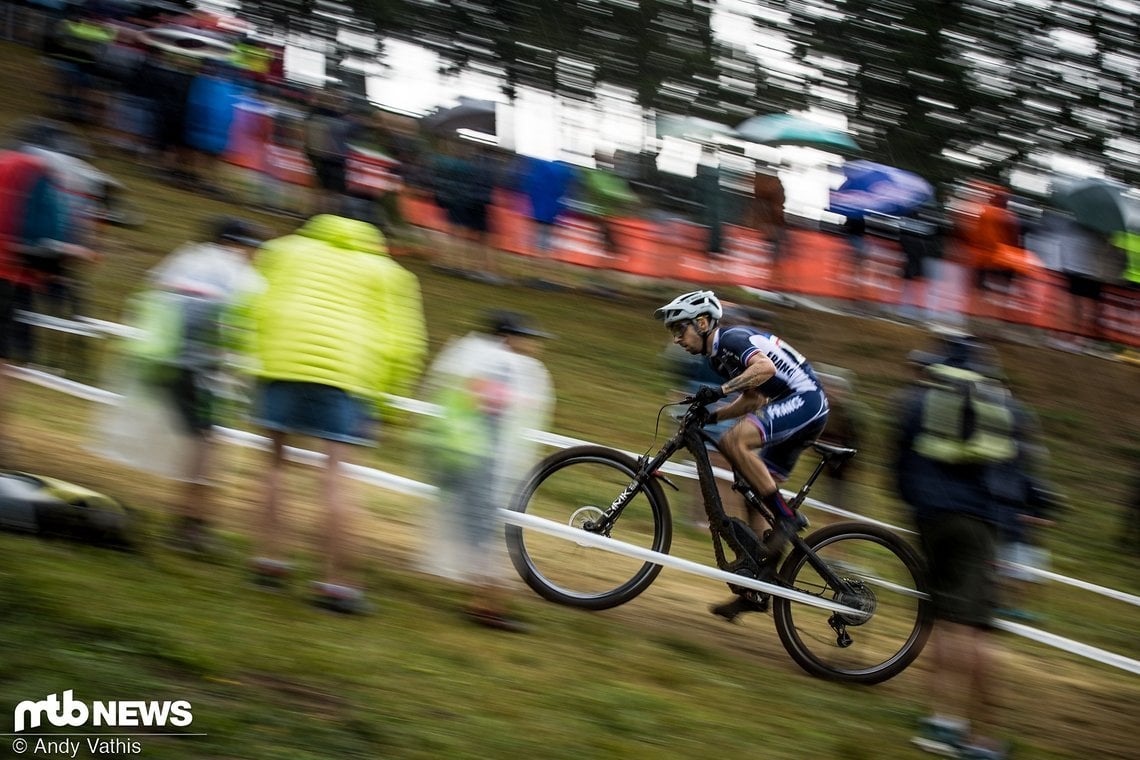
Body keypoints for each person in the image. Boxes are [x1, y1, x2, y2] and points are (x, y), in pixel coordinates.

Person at [243, 214, 427, 614]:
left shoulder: (283, 249)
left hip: (279, 366)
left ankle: (269, 561)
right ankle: (336, 585)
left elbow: (251, 305)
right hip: (346, 377)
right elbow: (404, 345)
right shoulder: (389, 273)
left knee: (273, 468)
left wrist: (252, 362)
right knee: (336, 481)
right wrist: (388, 405)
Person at [655, 290, 829, 621]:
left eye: (680, 329)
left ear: (703, 323)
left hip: (806, 401)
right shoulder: (718, 356)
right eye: (673, 332)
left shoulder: (731, 339)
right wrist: (712, 415)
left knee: (735, 442)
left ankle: (788, 518)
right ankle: (759, 589)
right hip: (793, 404)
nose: (676, 338)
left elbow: (762, 369)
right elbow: (754, 400)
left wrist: (719, 392)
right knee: (755, 499)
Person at [105, 217, 264, 554]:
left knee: (195, 442)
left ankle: (187, 521)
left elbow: (152, 296)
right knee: (206, 446)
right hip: (203, 369)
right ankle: (192, 527)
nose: (257, 255)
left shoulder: (186, 258)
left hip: (160, 360)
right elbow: (245, 325)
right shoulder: (239, 273)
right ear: (237, 244)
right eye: (254, 247)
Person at [895, 333, 1018, 760]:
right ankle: (985, 738)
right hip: (978, 524)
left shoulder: (916, 400)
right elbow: (1014, 474)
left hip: (930, 519)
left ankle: (941, 722)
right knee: (976, 628)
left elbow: (899, 465)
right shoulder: (1004, 406)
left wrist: (918, 506)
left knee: (944, 621)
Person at [420, 311, 554, 632]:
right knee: (487, 532)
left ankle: (482, 602)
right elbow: (486, 404)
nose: (534, 346)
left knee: (481, 532)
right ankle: (488, 607)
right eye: (527, 338)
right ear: (509, 337)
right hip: (482, 461)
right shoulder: (498, 365)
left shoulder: (475, 357)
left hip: (465, 456)